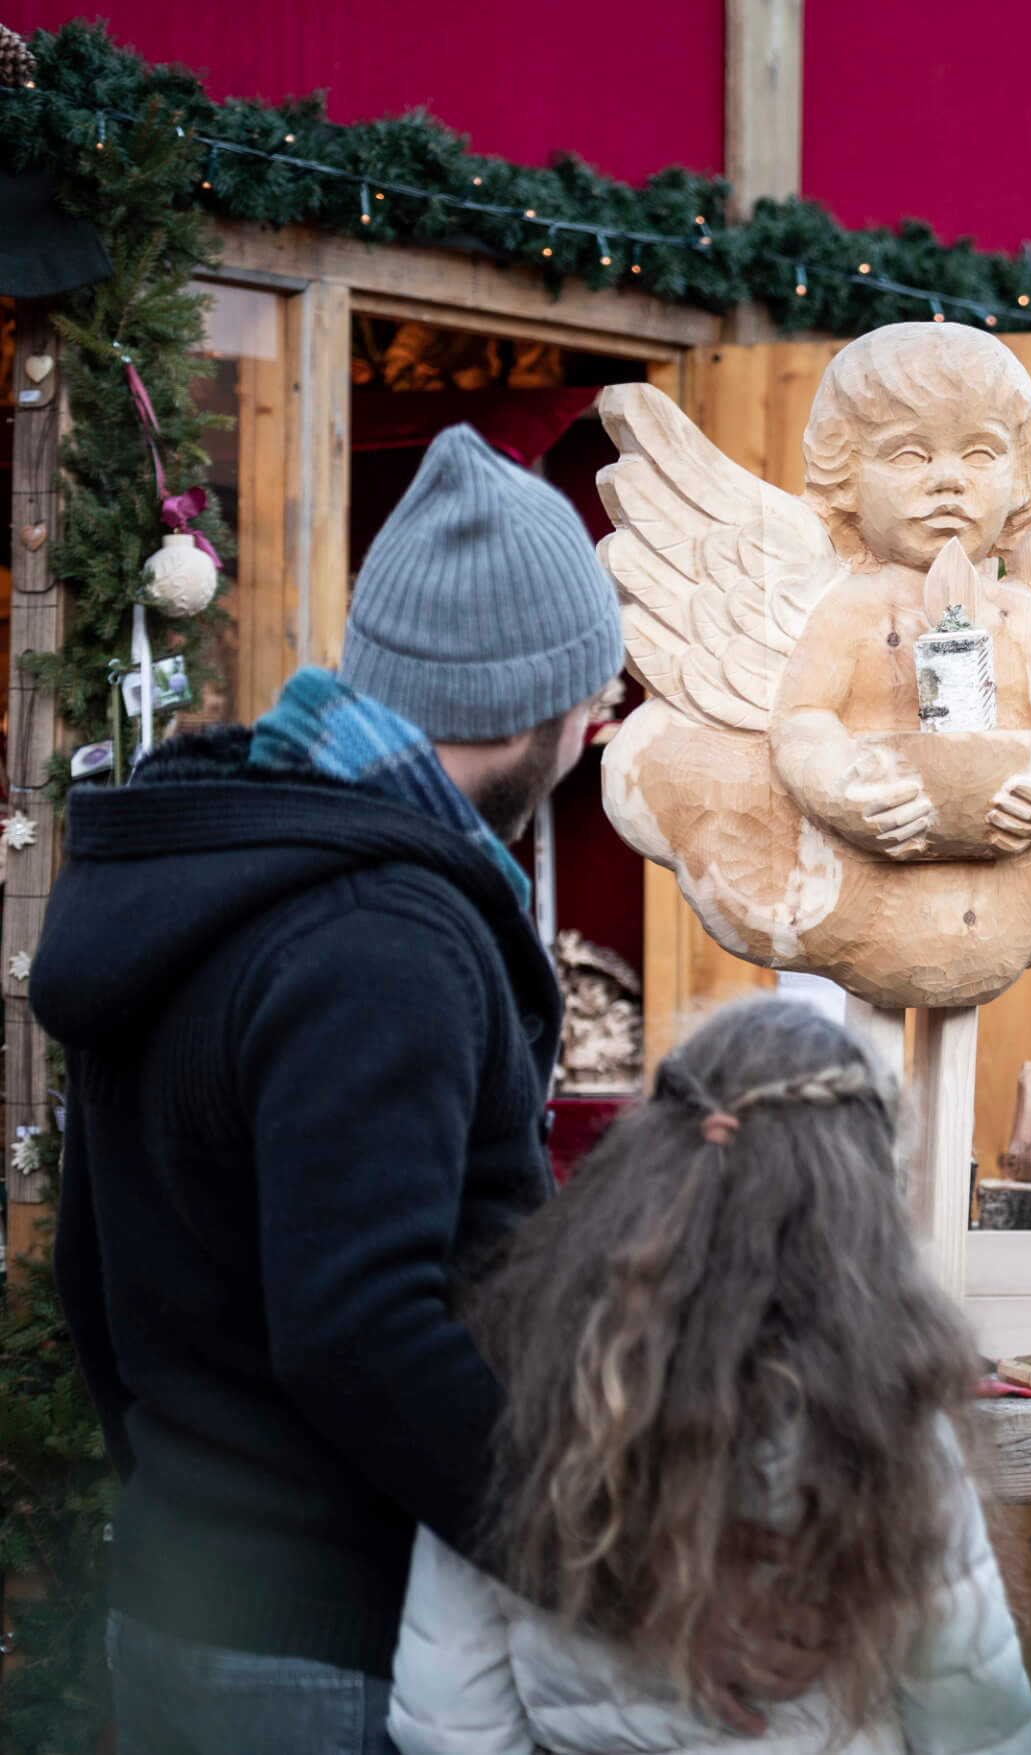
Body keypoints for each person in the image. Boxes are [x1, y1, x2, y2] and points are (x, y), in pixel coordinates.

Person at [33, 424, 625, 1753]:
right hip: (327, 1648)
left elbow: (89, 1267)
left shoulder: (227, 863)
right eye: (594, 694)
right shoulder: (382, 937)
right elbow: (361, 1328)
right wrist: (603, 1565)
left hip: (188, 1605)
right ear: (528, 704)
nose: (599, 724)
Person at [386, 996, 1031, 1755]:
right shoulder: (888, 1422)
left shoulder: (517, 1387)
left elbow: (450, 1722)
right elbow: (980, 1726)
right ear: (862, 1202)